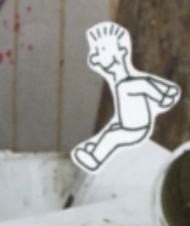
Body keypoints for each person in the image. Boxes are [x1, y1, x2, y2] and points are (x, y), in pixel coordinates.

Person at [70, 22, 180, 173]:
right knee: (110, 131)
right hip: (126, 124)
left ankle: (94, 158)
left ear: (121, 52)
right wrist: (167, 91)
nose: (95, 56)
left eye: (101, 50)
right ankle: (96, 148)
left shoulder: (129, 84)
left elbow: (148, 87)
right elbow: (149, 84)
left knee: (112, 137)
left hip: (135, 129)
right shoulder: (121, 81)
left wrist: (164, 96)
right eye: (96, 51)